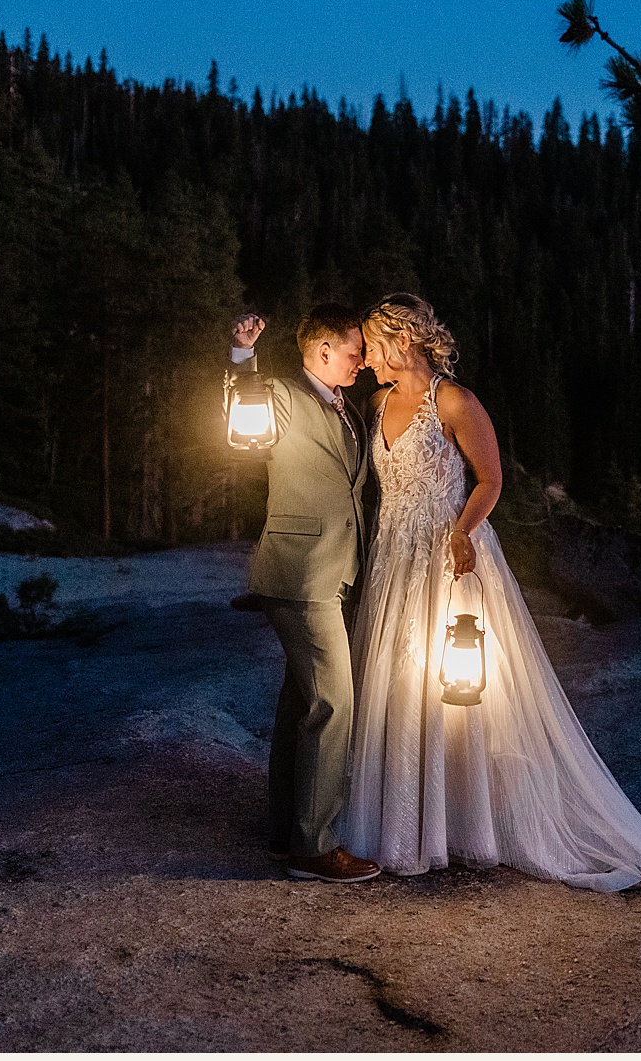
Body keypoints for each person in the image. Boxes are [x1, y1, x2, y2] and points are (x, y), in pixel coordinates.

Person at [338, 293, 641, 891]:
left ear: (403, 341)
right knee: (397, 685)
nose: (369, 359)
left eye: (374, 346)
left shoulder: (454, 401)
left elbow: (491, 480)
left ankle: (470, 824)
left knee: (459, 694)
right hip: (394, 560)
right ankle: (404, 824)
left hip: (450, 556)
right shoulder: (377, 404)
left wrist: (461, 532)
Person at [228, 305, 383, 884]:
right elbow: (245, 405)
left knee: (300, 702)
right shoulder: (283, 394)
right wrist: (242, 355)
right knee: (334, 702)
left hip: (337, 572)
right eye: (353, 351)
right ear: (321, 351)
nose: (362, 361)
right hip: (298, 574)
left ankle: (283, 832)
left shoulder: (348, 407)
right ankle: (315, 848)